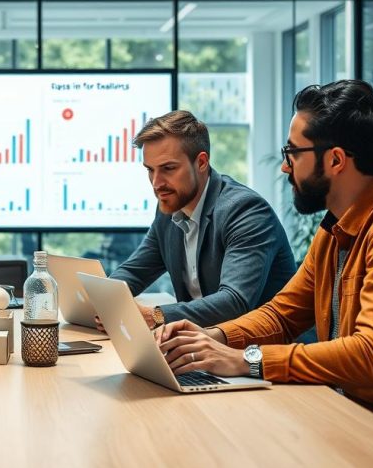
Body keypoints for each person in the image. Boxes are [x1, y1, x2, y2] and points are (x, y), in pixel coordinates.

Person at [157, 81, 373, 461]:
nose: (285, 165)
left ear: (336, 160)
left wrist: (247, 360)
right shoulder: (338, 227)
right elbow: (282, 314)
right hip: (345, 416)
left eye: (292, 152)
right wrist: (213, 337)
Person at [108, 110, 296, 328]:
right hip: (205, 347)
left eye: (168, 168)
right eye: (150, 170)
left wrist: (155, 316)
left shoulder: (246, 211)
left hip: (263, 352)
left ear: (201, 162)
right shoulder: (169, 209)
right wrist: (104, 301)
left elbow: (234, 301)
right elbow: (134, 271)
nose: (156, 182)